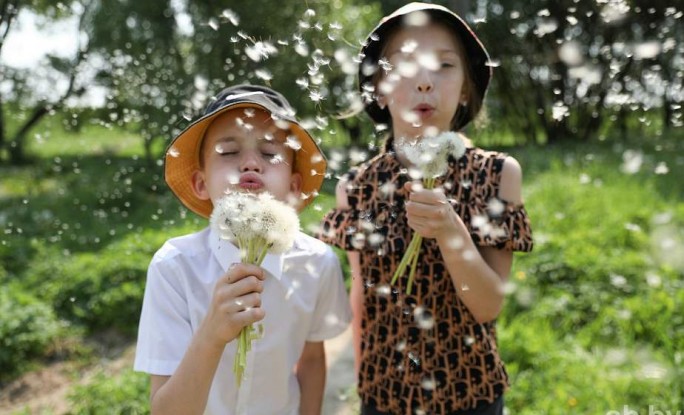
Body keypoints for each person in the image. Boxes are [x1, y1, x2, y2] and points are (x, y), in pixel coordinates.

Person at [318, 3, 533, 415]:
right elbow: (363, 295)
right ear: (379, 87)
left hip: (470, 394)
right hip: (384, 396)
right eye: (406, 64)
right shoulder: (356, 188)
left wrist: (451, 231)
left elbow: (488, 305)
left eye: (444, 65)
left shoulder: (496, 175)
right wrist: (366, 384)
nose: (424, 82)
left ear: (467, 88)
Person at [134, 84, 352, 415]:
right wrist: (211, 335)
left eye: (269, 154)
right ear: (201, 183)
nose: (250, 163)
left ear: (294, 188)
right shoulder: (174, 268)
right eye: (228, 152)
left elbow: (311, 360)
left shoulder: (318, 264)